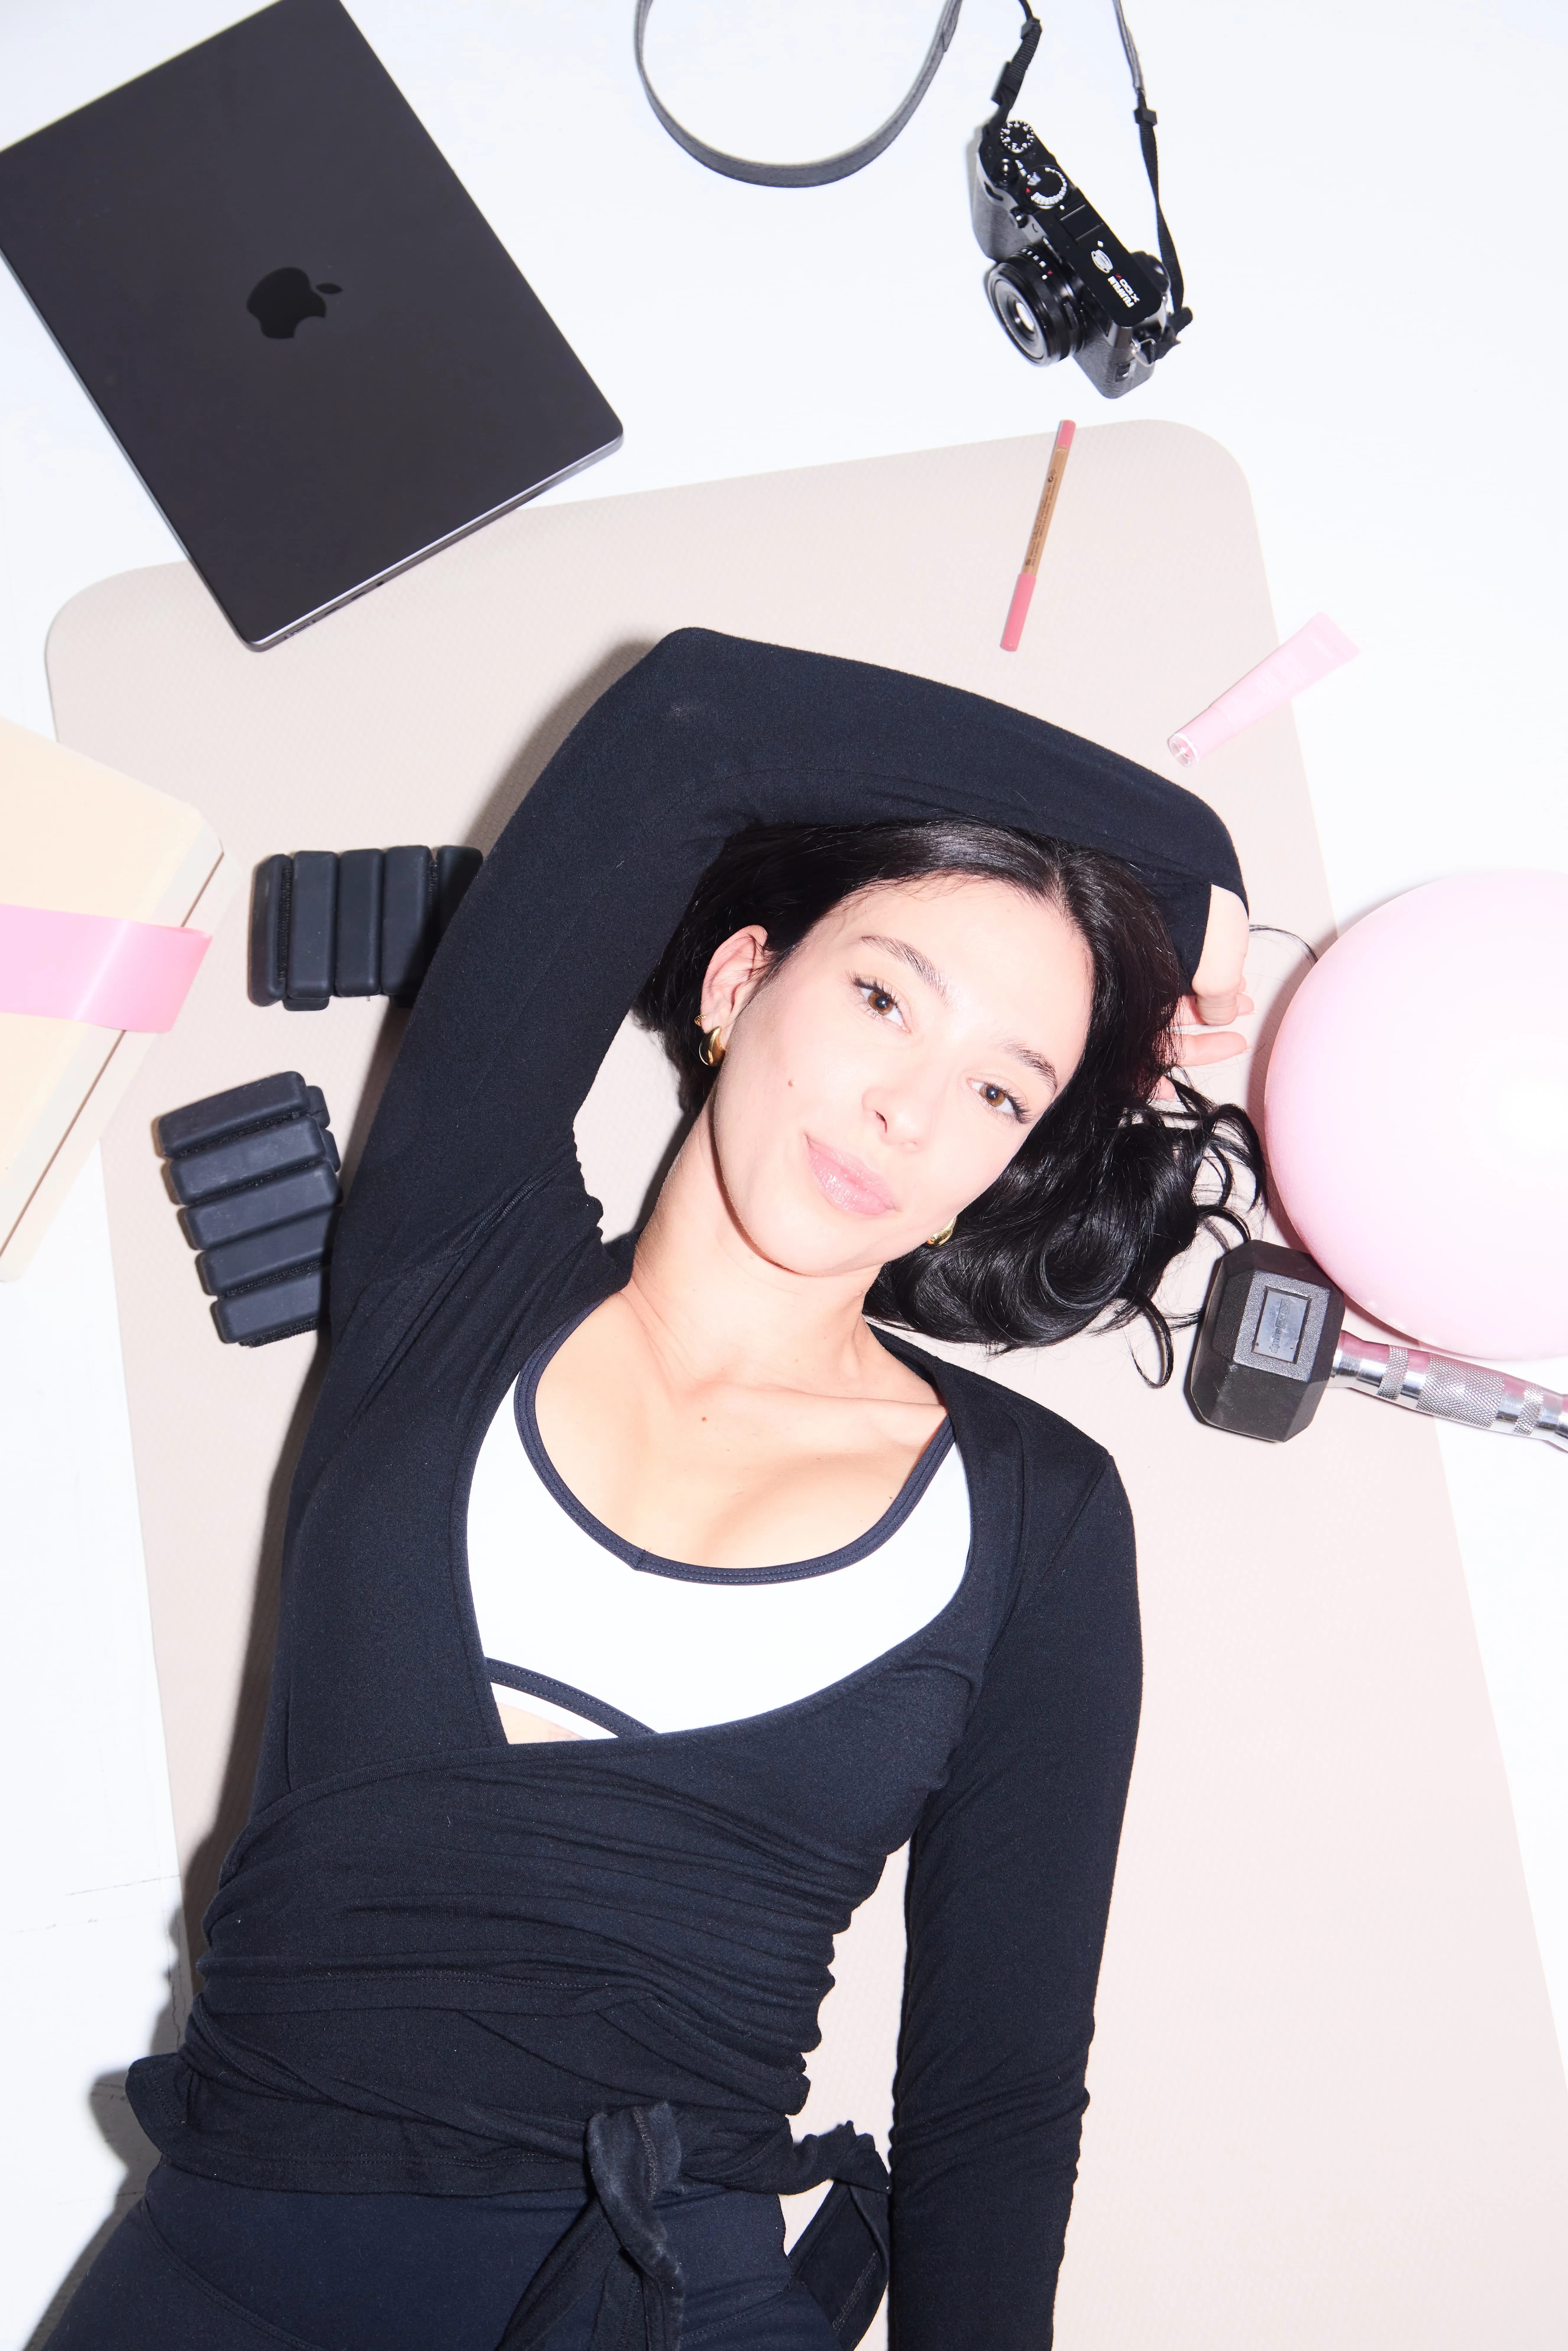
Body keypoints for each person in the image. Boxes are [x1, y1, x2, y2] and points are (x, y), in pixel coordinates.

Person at [53, 631, 1258, 2351]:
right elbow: (687, 714)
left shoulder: (1038, 1525)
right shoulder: (454, 1260)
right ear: (734, 980)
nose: (910, 1108)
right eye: (880, 997)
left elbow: (994, 2103)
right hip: (225, 2274)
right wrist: (1172, 861)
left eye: (1000, 1088)